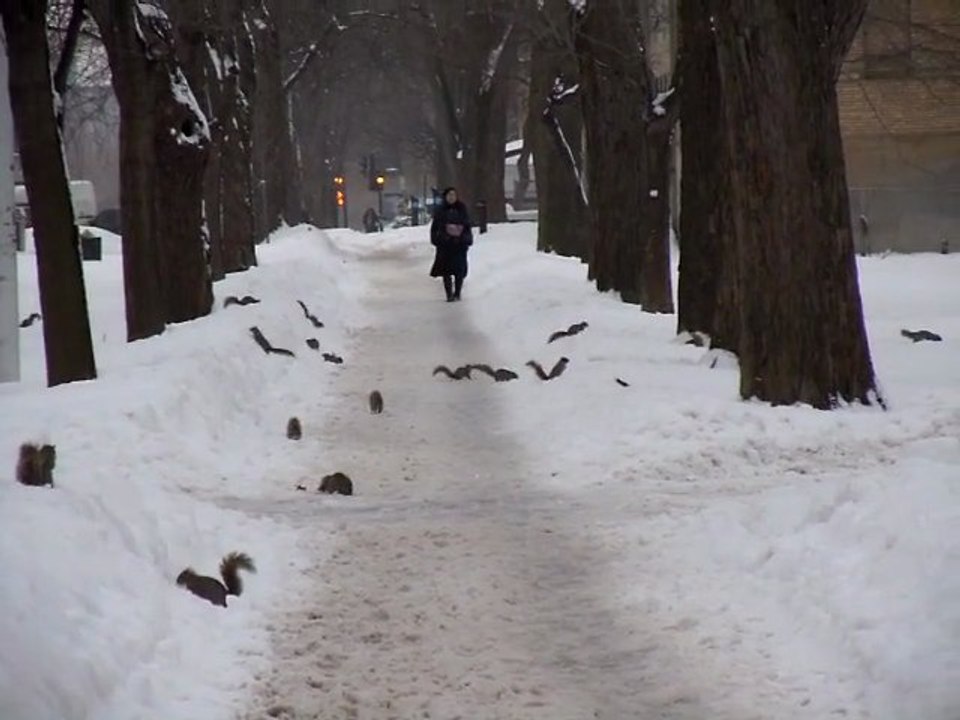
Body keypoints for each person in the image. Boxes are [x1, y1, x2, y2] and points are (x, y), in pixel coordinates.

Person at [429, 187, 473, 302]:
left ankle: (457, 292)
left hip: (459, 245)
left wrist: (465, 239)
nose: (451, 197)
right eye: (449, 195)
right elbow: (435, 228)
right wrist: (438, 239)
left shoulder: (462, 209)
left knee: (459, 270)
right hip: (445, 245)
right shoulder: (440, 211)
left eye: (453, 195)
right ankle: (449, 294)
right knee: (446, 271)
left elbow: (467, 225)